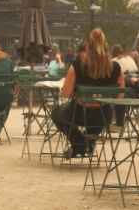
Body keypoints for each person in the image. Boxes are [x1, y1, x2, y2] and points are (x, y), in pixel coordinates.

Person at [52, 29, 125, 158]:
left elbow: (65, 94)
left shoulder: (77, 65)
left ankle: (79, 144)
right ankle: (88, 143)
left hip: (79, 113)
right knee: (98, 118)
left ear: (88, 46)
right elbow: (120, 95)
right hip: (103, 115)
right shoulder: (116, 68)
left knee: (56, 112)